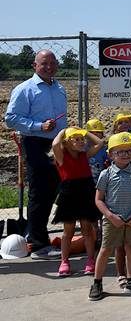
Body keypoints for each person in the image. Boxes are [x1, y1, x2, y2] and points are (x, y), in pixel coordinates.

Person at [4, 49, 67, 259]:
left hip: (57, 144)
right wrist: (39, 126)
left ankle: (41, 236)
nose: (49, 67)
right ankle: (38, 244)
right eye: (44, 63)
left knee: (53, 190)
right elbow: (11, 118)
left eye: (52, 63)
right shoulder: (24, 89)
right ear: (34, 66)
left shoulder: (59, 89)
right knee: (39, 193)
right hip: (35, 143)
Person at [89, 132, 131, 301]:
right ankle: (97, 282)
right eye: (120, 151)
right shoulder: (106, 174)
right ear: (110, 154)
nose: (125, 154)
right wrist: (110, 216)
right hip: (111, 220)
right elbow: (99, 200)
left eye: (128, 151)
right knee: (105, 249)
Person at [52, 127, 103, 276]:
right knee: (68, 231)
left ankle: (90, 261)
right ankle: (64, 261)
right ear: (67, 143)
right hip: (69, 195)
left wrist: (84, 131)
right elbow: (55, 144)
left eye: (82, 139)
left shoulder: (84, 155)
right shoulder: (61, 157)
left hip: (86, 193)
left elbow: (100, 143)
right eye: (77, 139)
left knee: (87, 230)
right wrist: (64, 131)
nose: (81, 142)